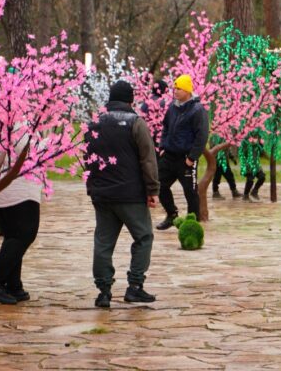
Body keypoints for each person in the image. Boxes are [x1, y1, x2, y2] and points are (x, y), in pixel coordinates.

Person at [85, 80, 160, 308]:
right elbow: (148, 159)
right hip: (131, 195)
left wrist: (93, 187)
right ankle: (135, 286)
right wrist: (152, 190)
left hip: (103, 195)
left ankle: (104, 291)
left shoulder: (94, 123)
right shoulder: (136, 123)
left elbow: (87, 158)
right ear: (130, 100)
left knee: (103, 242)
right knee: (144, 236)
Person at [0, 137, 42, 305]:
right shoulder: (15, 117)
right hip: (16, 189)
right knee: (25, 234)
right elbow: (21, 147)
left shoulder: (13, 116)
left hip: (10, 186)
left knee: (13, 235)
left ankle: (13, 284)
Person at [155, 75, 209, 230]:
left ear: (187, 90)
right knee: (159, 185)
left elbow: (202, 136)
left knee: (190, 193)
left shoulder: (197, 110)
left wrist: (192, 157)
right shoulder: (173, 107)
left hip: (186, 159)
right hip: (169, 156)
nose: (175, 91)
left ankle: (192, 223)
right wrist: (162, 146)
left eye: (179, 88)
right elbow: (165, 127)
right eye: (174, 88)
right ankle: (172, 214)